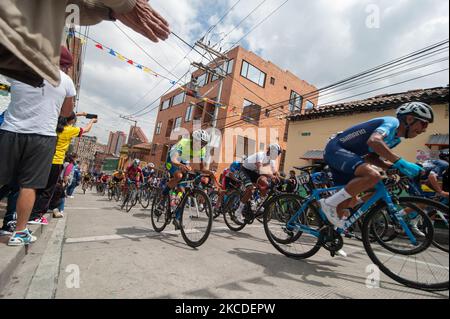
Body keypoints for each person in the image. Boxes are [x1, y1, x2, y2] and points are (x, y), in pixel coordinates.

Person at [0, 47, 80, 246]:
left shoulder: (22, 67)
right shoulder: (66, 80)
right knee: (29, 185)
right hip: (42, 136)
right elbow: (67, 112)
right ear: (65, 66)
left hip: (11, 130)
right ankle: (19, 232)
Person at [0, 0, 170, 87]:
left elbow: (68, 8)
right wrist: (127, 4)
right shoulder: (66, 85)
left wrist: (110, 10)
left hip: (14, 30)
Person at [320, 102, 434, 230]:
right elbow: (374, 141)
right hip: (336, 149)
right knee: (373, 176)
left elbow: (370, 157)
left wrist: (393, 167)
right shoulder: (392, 122)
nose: (424, 130)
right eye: (424, 124)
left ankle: (331, 236)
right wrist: (401, 162)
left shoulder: (395, 140)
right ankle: (327, 203)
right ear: (409, 119)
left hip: (349, 156)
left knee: (346, 201)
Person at [29, 112, 97, 225]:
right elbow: (86, 130)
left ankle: (29, 211)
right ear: (71, 121)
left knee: (37, 187)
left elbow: (65, 116)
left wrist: (81, 114)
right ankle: (35, 215)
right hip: (56, 162)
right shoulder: (69, 130)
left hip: (44, 159)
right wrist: (91, 121)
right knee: (48, 189)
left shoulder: (54, 125)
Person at [162, 130, 218, 229]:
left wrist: (210, 173)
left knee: (184, 192)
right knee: (178, 176)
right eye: (200, 143)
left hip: (184, 161)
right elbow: (175, 159)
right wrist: (181, 165)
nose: (202, 146)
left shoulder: (202, 150)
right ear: (193, 140)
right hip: (172, 159)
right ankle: (163, 198)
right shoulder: (184, 142)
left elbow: (202, 168)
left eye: (204, 144)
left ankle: (177, 218)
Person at [235, 144, 282, 223]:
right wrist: (272, 176)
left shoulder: (272, 161)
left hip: (254, 172)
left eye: (278, 154)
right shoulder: (261, 155)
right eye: (277, 153)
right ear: (271, 151)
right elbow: (260, 169)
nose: (277, 155)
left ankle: (258, 204)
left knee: (266, 184)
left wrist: (285, 179)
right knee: (250, 189)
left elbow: (275, 173)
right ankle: (238, 212)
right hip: (245, 170)